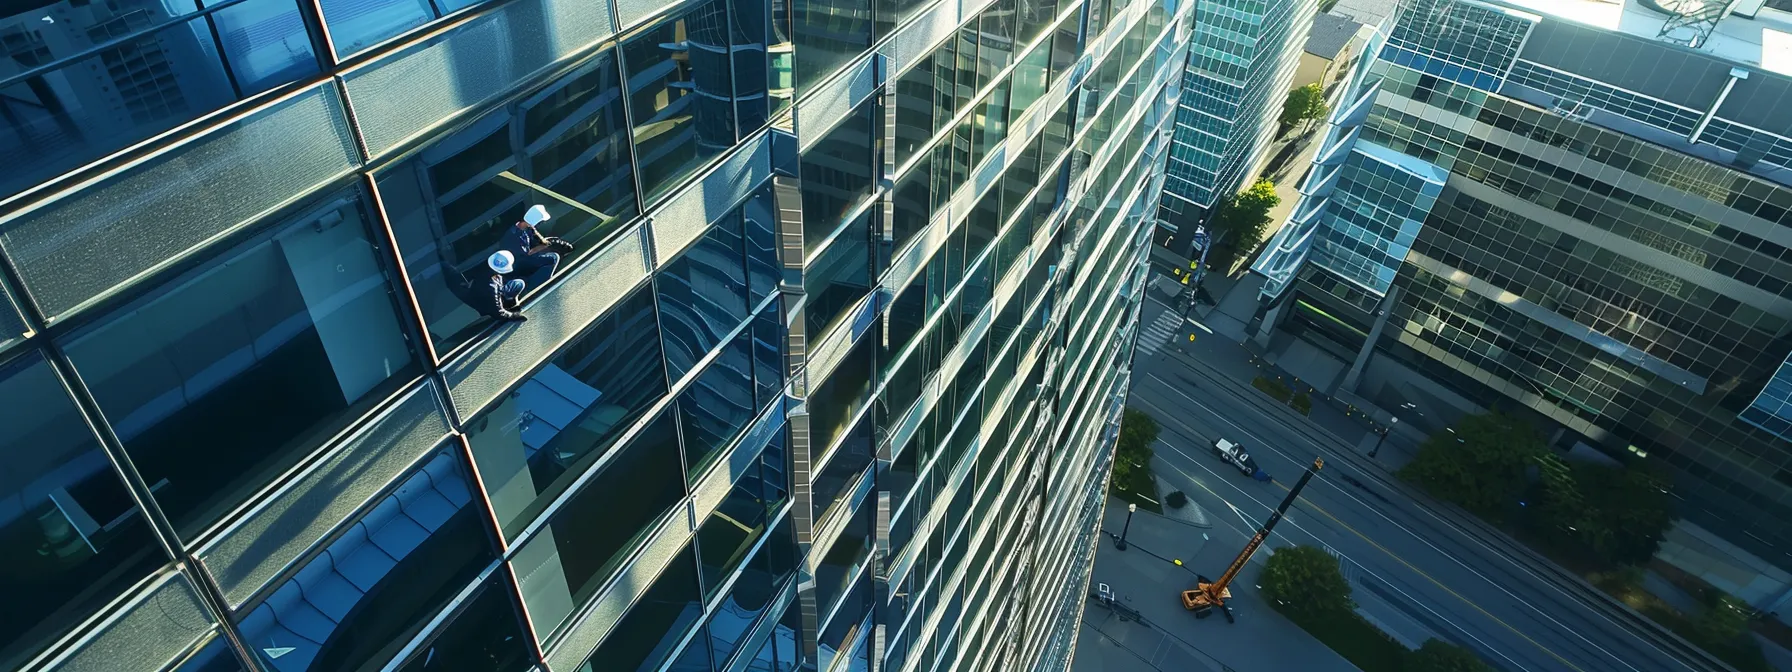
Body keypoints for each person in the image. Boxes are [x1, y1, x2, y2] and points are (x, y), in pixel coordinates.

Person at [480, 205, 576, 322]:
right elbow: (526, 256)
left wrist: (545, 243)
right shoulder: (514, 236)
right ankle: (537, 288)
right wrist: (543, 247)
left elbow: (537, 243)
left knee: (550, 254)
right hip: (517, 266)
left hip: (522, 260)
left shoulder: (525, 229)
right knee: (553, 258)